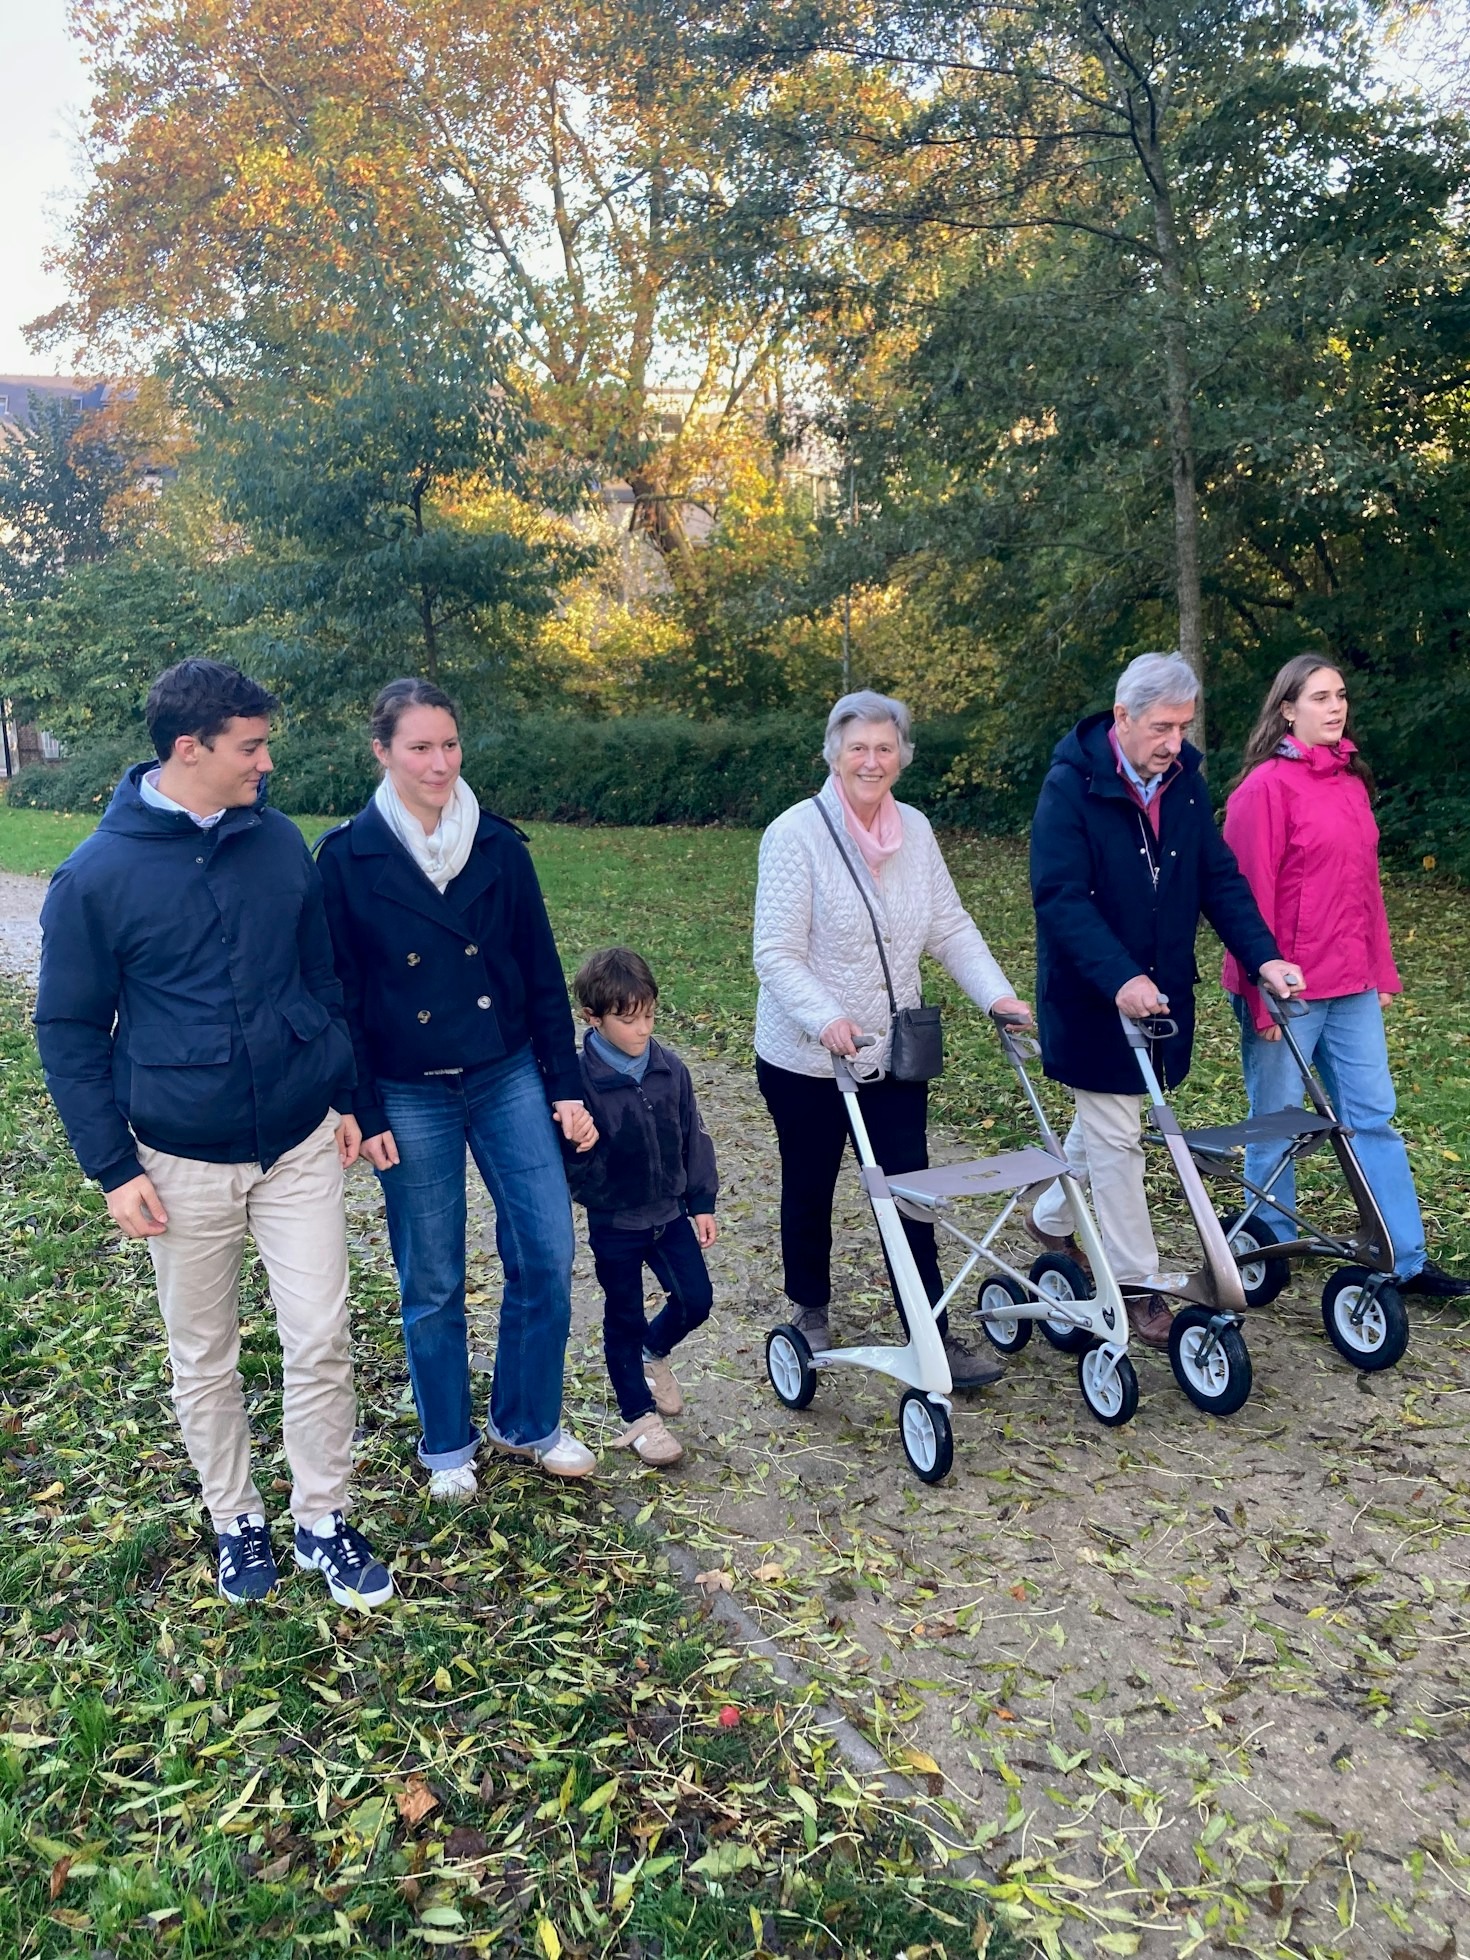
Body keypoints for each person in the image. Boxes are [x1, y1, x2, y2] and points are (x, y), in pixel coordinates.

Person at [34, 660, 393, 1611]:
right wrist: (112, 1168)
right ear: (188, 749)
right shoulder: (96, 876)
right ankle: (237, 1518)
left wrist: (343, 1088)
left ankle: (322, 1516)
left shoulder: (278, 842)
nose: (267, 762)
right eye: (251, 746)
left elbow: (321, 973)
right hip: (178, 1156)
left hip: (301, 1140)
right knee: (207, 1353)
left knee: (320, 1337)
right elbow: (66, 1030)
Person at [317, 678, 599, 1500]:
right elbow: (339, 995)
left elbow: (543, 977)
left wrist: (567, 1085)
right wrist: (361, 1108)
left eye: (449, 744)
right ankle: (446, 1440)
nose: (438, 763)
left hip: (506, 1070)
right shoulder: (346, 858)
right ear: (382, 752)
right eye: (419, 747)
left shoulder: (500, 848)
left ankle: (526, 1420)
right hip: (409, 1089)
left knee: (546, 1249)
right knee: (431, 1274)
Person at [753, 689, 1028, 1387]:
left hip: (897, 1050)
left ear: (902, 756)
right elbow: (775, 953)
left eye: (884, 748)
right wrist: (826, 1018)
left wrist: (998, 996)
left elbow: (950, 926)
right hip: (808, 1057)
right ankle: (809, 1311)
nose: (871, 762)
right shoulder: (795, 834)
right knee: (811, 1184)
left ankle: (930, 1329)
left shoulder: (916, 830)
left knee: (910, 1190)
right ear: (832, 755)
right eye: (858, 749)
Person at [1029, 651, 1305, 1347]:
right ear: (1122, 717)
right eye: (1161, 726)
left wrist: (1264, 955)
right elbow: (1059, 898)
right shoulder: (1070, 788)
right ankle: (1137, 1282)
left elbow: (1218, 877)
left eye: (1182, 726)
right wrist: (1119, 976)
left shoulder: (1183, 784)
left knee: (1107, 1123)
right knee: (1119, 1135)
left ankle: (1051, 1219)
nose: (1174, 741)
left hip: (1162, 999)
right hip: (1094, 999)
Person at [1221, 656, 1468, 1298]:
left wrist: (1380, 971)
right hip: (1288, 993)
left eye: (1341, 695)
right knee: (1278, 1120)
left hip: (1352, 984)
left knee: (1372, 1117)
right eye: (1321, 697)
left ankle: (1402, 1256)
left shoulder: (1350, 783)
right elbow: (1245, 901)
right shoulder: (1263, 790)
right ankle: (1268, 1243)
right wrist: (1260, 995)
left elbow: (1365, 890)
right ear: (1287, 710)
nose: (1336, 707)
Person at [566, 946, 718, 1467]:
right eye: (628, 1020)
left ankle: (656, 1355)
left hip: (670, 1213)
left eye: (649, 1016)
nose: (642, 1029)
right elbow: (563, 1156)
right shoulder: (577, 1080)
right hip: (616, 1223)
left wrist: (701, 1201)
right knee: (623, 1316)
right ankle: (639, 1416)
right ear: (593, 1017)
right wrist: (580, 1153)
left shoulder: (669, 1068)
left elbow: (694, 1137)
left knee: (696, 1300)